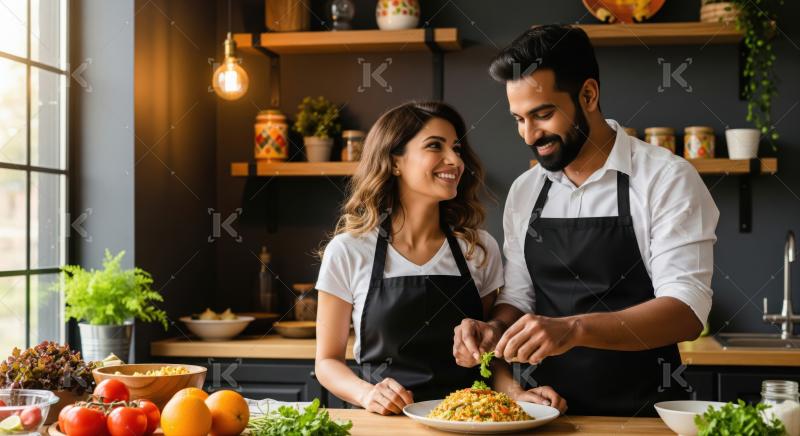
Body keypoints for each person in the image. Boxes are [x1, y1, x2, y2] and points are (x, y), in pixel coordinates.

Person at [453, 25, 719, 416]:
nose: (529, 135)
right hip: (543, 412)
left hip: (643, 412)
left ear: (588, 95)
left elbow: (686, 311)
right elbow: (518, 298)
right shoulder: (526, 191)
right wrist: (493, 330)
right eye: (518, 119)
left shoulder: (666, 178)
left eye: (542, 115)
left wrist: (573, 329)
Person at [315, 101, 567, 415]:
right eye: (435, 146)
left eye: (457, 149)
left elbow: (489, 354)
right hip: (385, 423)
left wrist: (517, 394)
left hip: (467, 421)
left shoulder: (478, 249)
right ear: (395, 162)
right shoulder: (349, 251)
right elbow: (326, 361)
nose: (455, 160)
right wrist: (368, 394)